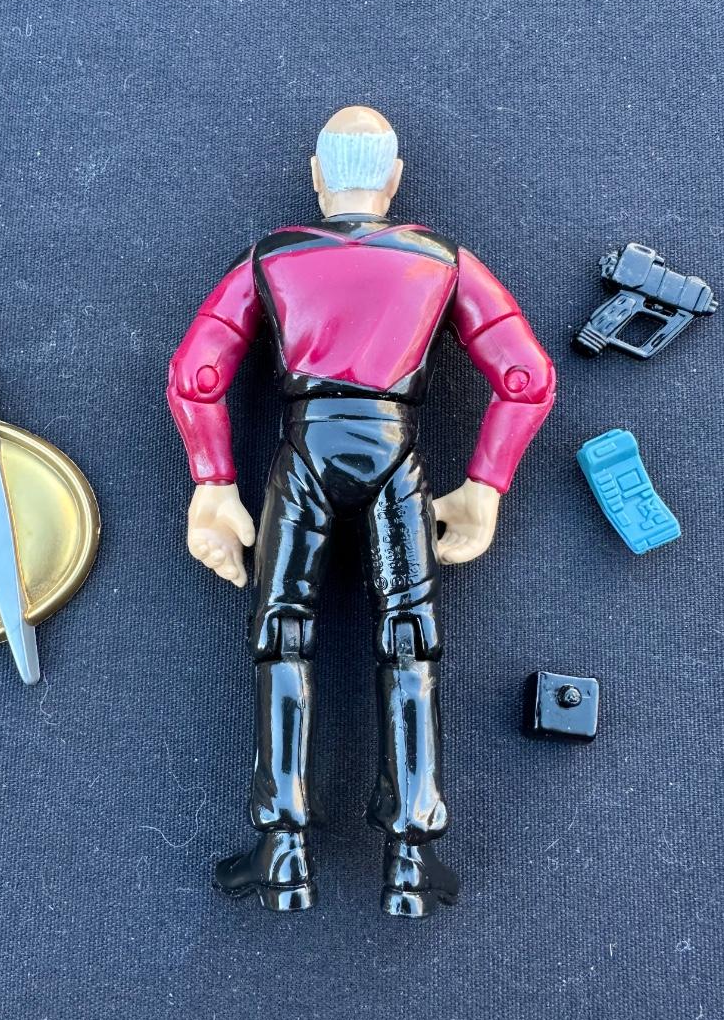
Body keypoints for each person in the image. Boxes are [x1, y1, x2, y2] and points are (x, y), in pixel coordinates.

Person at [168, 106, 555, 916]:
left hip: (304, 448)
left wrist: (213, 481)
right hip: (394, 452)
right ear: (395, 177)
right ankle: (412, 854)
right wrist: (483, 485)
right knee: (411, 639)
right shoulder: (441, 260)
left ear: (317, 176)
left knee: (280, 633)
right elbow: (525, 377)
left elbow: (198, 374)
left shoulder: (273, 258)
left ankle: (282, 849)